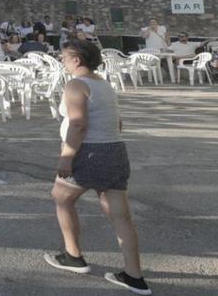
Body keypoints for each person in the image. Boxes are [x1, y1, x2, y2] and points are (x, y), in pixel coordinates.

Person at [44, 40, 150, 295]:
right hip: (115, 149)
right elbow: (118, 121)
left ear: (77, 60)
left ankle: (73, 256)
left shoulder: (75, 85)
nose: (62, 61)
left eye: (64, 57)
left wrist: (67, 157)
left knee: (61, 198)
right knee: (120, 215)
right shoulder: (104, 84)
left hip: (89, 151)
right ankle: (134, 276)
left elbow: (78, 124)